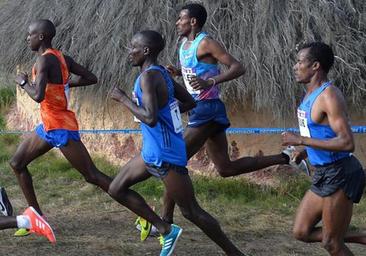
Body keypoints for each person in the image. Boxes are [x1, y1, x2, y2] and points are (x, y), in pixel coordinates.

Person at [161, 2, 303, 225]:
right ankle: (286, 157)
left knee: (174, 161)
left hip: (206, 109)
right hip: (202, 109)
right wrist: (179, 73)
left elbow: (238, 67)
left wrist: (210, 81)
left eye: (181, 18)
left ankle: (165, 222)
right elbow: (197, 72)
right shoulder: (184, 44)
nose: (177, 22)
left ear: (193, 22)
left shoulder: (205, 42)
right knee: (225, 168)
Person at [109, 30, 245, 256]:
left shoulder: (148, 77)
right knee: (116, 188)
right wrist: (165, 113)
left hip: (165, 153)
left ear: (146, 51)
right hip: (152, 151)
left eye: (133, 47)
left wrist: (123, 99)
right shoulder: (160, 73)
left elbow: (150, 117)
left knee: (192, 211)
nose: (129, 52)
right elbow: (188, 100)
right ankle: (164, 228)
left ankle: (234, 253)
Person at [11, 19, 112, 236]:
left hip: (60, 127)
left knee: (92, 175)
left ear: (41, 37)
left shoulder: (43, 62)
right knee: (17, 163)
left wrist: (22, 82)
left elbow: (37, 96)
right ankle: (36, 217)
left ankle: (144, 214)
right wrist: (62, 85)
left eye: (30, 34)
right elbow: (90, 78)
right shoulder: (62, 58)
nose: (27, 38)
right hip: (48, 126)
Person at [282, 41, 366, 255]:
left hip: (340, 172)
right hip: (323, 173)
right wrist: (305, 151)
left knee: (331, 243)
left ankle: (337, 235)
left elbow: (347, 143)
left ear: (316, 66)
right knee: (301, 232)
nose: (295, 66)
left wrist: (301, 141)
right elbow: (321, 133)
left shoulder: (329, 96)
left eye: (300, 61)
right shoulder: (310, 95)